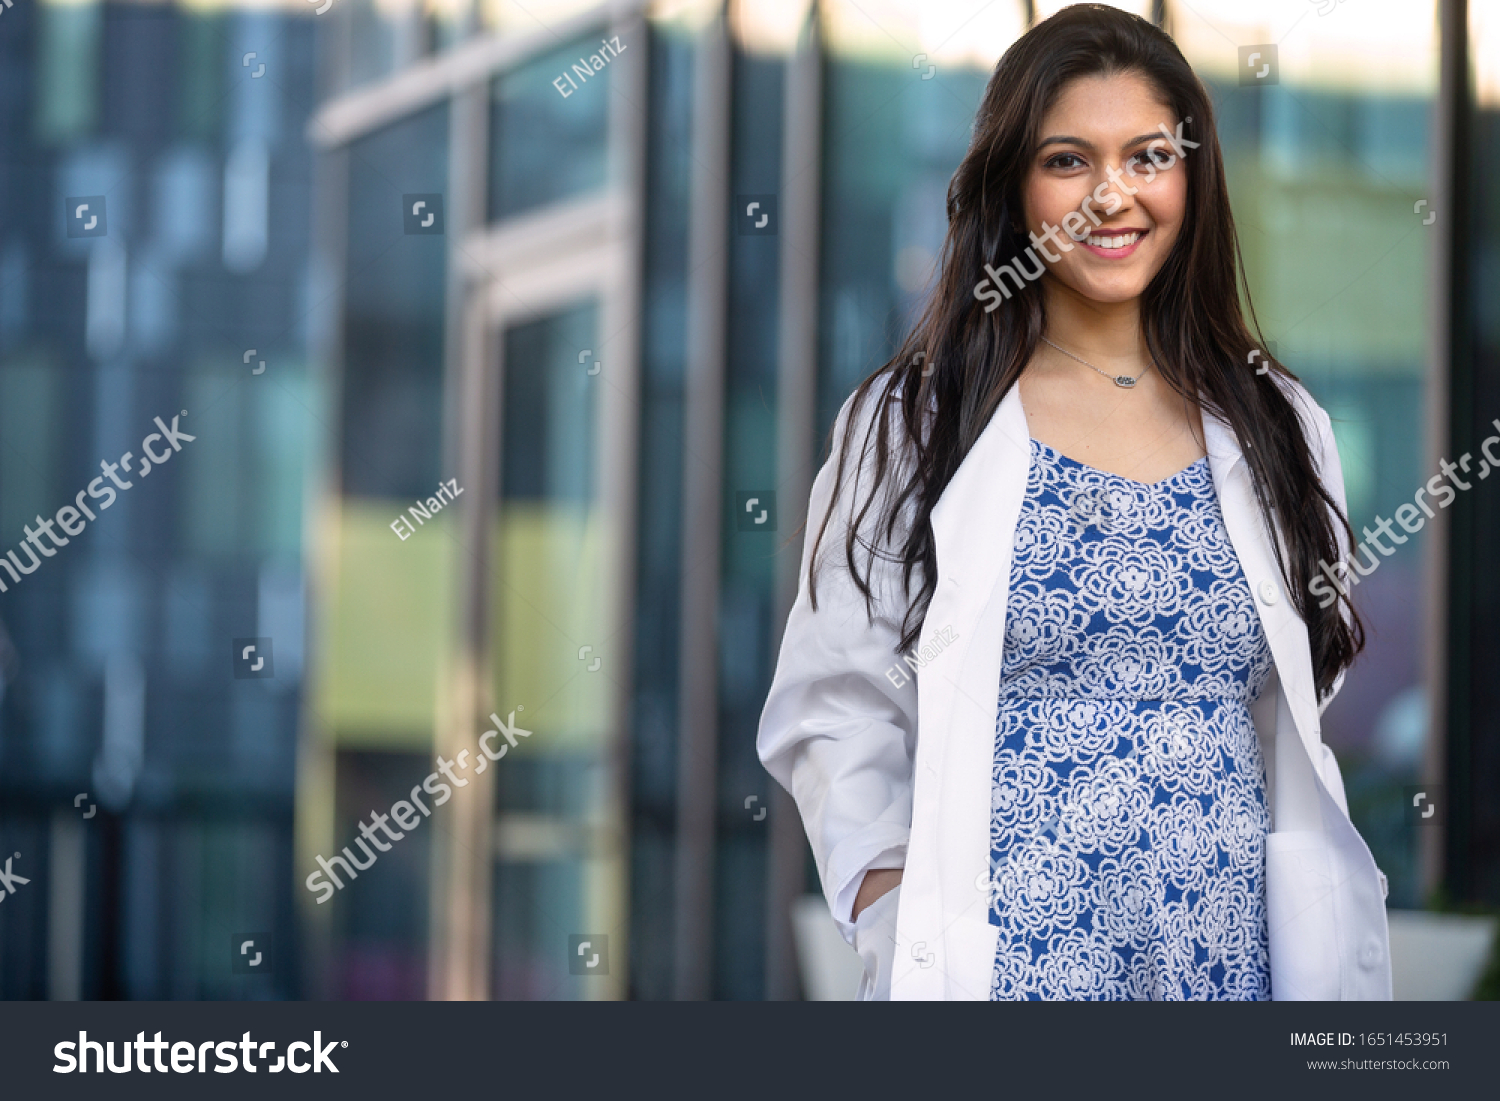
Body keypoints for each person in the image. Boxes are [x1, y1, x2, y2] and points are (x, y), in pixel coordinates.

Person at [757, 3, 1391, 1001]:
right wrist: (884, 898)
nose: (1113, 195)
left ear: (1192, 175)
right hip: (1007, 971)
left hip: (1232, 965)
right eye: (1067, 161)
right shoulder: (917, 419)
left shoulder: (1280, 422)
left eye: (1148, 156)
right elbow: (834, 700)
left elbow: (1294, 694)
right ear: (1013, 186)